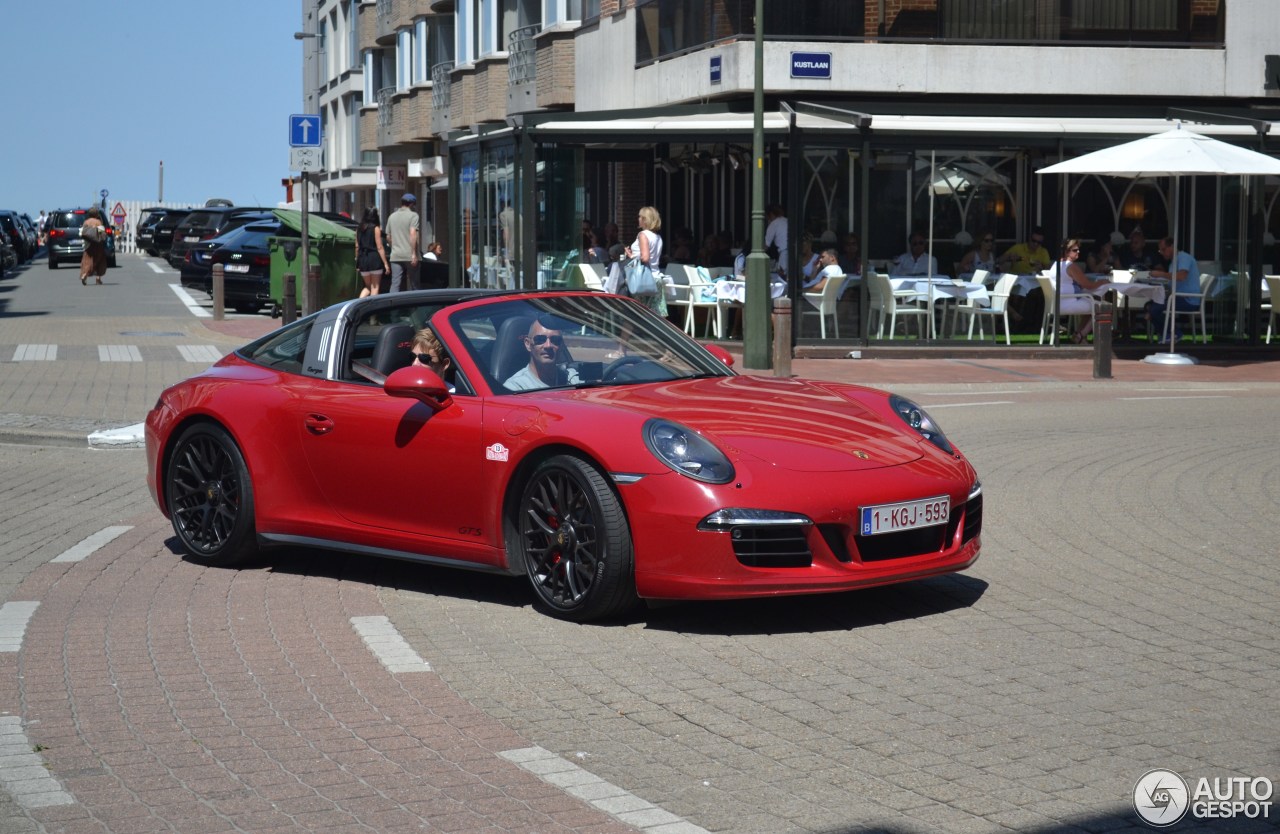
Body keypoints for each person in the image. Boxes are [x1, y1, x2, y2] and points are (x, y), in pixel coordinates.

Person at [1052, 238, 1109, 343]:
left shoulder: (1055, 265)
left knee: (1091, 304)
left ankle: (1077, 334)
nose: (1078, 252)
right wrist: (1103, 282)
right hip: (1068, 303)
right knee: (1102, 307)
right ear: (1066, 252)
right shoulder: (1071, 266)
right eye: (1074, 250)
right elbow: (1088, 285)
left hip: (1056, 303)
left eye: (1078, 250)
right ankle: (1081, 336)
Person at [503, 317, 582, 391]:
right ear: (528, 344)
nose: (548, 345)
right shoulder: (515, 387)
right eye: (540, 339)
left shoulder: (572, 378)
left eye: (555, 340)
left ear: (561, 346)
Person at [1147, 236, 1201, 343]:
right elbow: (1172, 281)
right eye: (1160, 250)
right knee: (1150, 306)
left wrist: (1160, 274)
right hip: (1178, 297)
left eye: (1164, 249)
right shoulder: (1173, 262)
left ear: (1172, 246)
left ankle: (1174, 333)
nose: (1162, 253)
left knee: (1154, 308)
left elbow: (1181, 276)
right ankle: (1168, 333)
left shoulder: (1183, 258)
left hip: (1189, 299)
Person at [623, 205, 667, 317]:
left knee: (636, 313)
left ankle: (626, 335)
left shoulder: (642, 235)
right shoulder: (657, 237)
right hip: (656, 276)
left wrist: (632, 257)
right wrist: (633, 255)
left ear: (645, 219)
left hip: (643, 279)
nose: (638, 219)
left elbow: (645, 258)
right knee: (654, 314)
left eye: (640, 217)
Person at [385, 193, 420, 292]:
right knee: (414, 283)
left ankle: (391, 304)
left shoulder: (392, 216)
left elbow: (388, 236)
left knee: (395, 283)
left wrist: (394, 246)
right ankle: (417, 305)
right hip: (409, 254)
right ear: (411, 204)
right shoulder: (413, 216)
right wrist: (413, 254)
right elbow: (413, 233)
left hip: (395, 254)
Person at [355, 207, 389, 298]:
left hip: (363, 259)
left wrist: (357, 262)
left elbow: (357, 246)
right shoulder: (375, 228)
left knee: (368, 287)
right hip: (374, 259)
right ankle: (373, 310)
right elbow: (379, 247)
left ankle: (359, 304)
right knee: (375, 287)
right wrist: (385, 263)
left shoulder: (358, 229)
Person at [410, 327, 455, 391]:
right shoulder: (404, 393)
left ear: (444, 364)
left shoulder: (455, 397)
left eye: (424, 358)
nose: (415, 363)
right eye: (412, 356)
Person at [79, 207, 108, 286]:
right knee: (99, 260)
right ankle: (98, 279)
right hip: (97, 244)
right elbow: (101, 233)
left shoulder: (86, 222)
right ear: (96, 214)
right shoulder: (98, 222)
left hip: (88, 244)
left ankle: (84, 275)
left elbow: (83, 232)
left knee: (87, 260)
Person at [764, 204, 789, 276]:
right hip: (794, 253)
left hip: (784, 253)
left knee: (783, 277)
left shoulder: (773, 224)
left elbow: (766, 245)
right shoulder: (787, 221)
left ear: (770, 214)